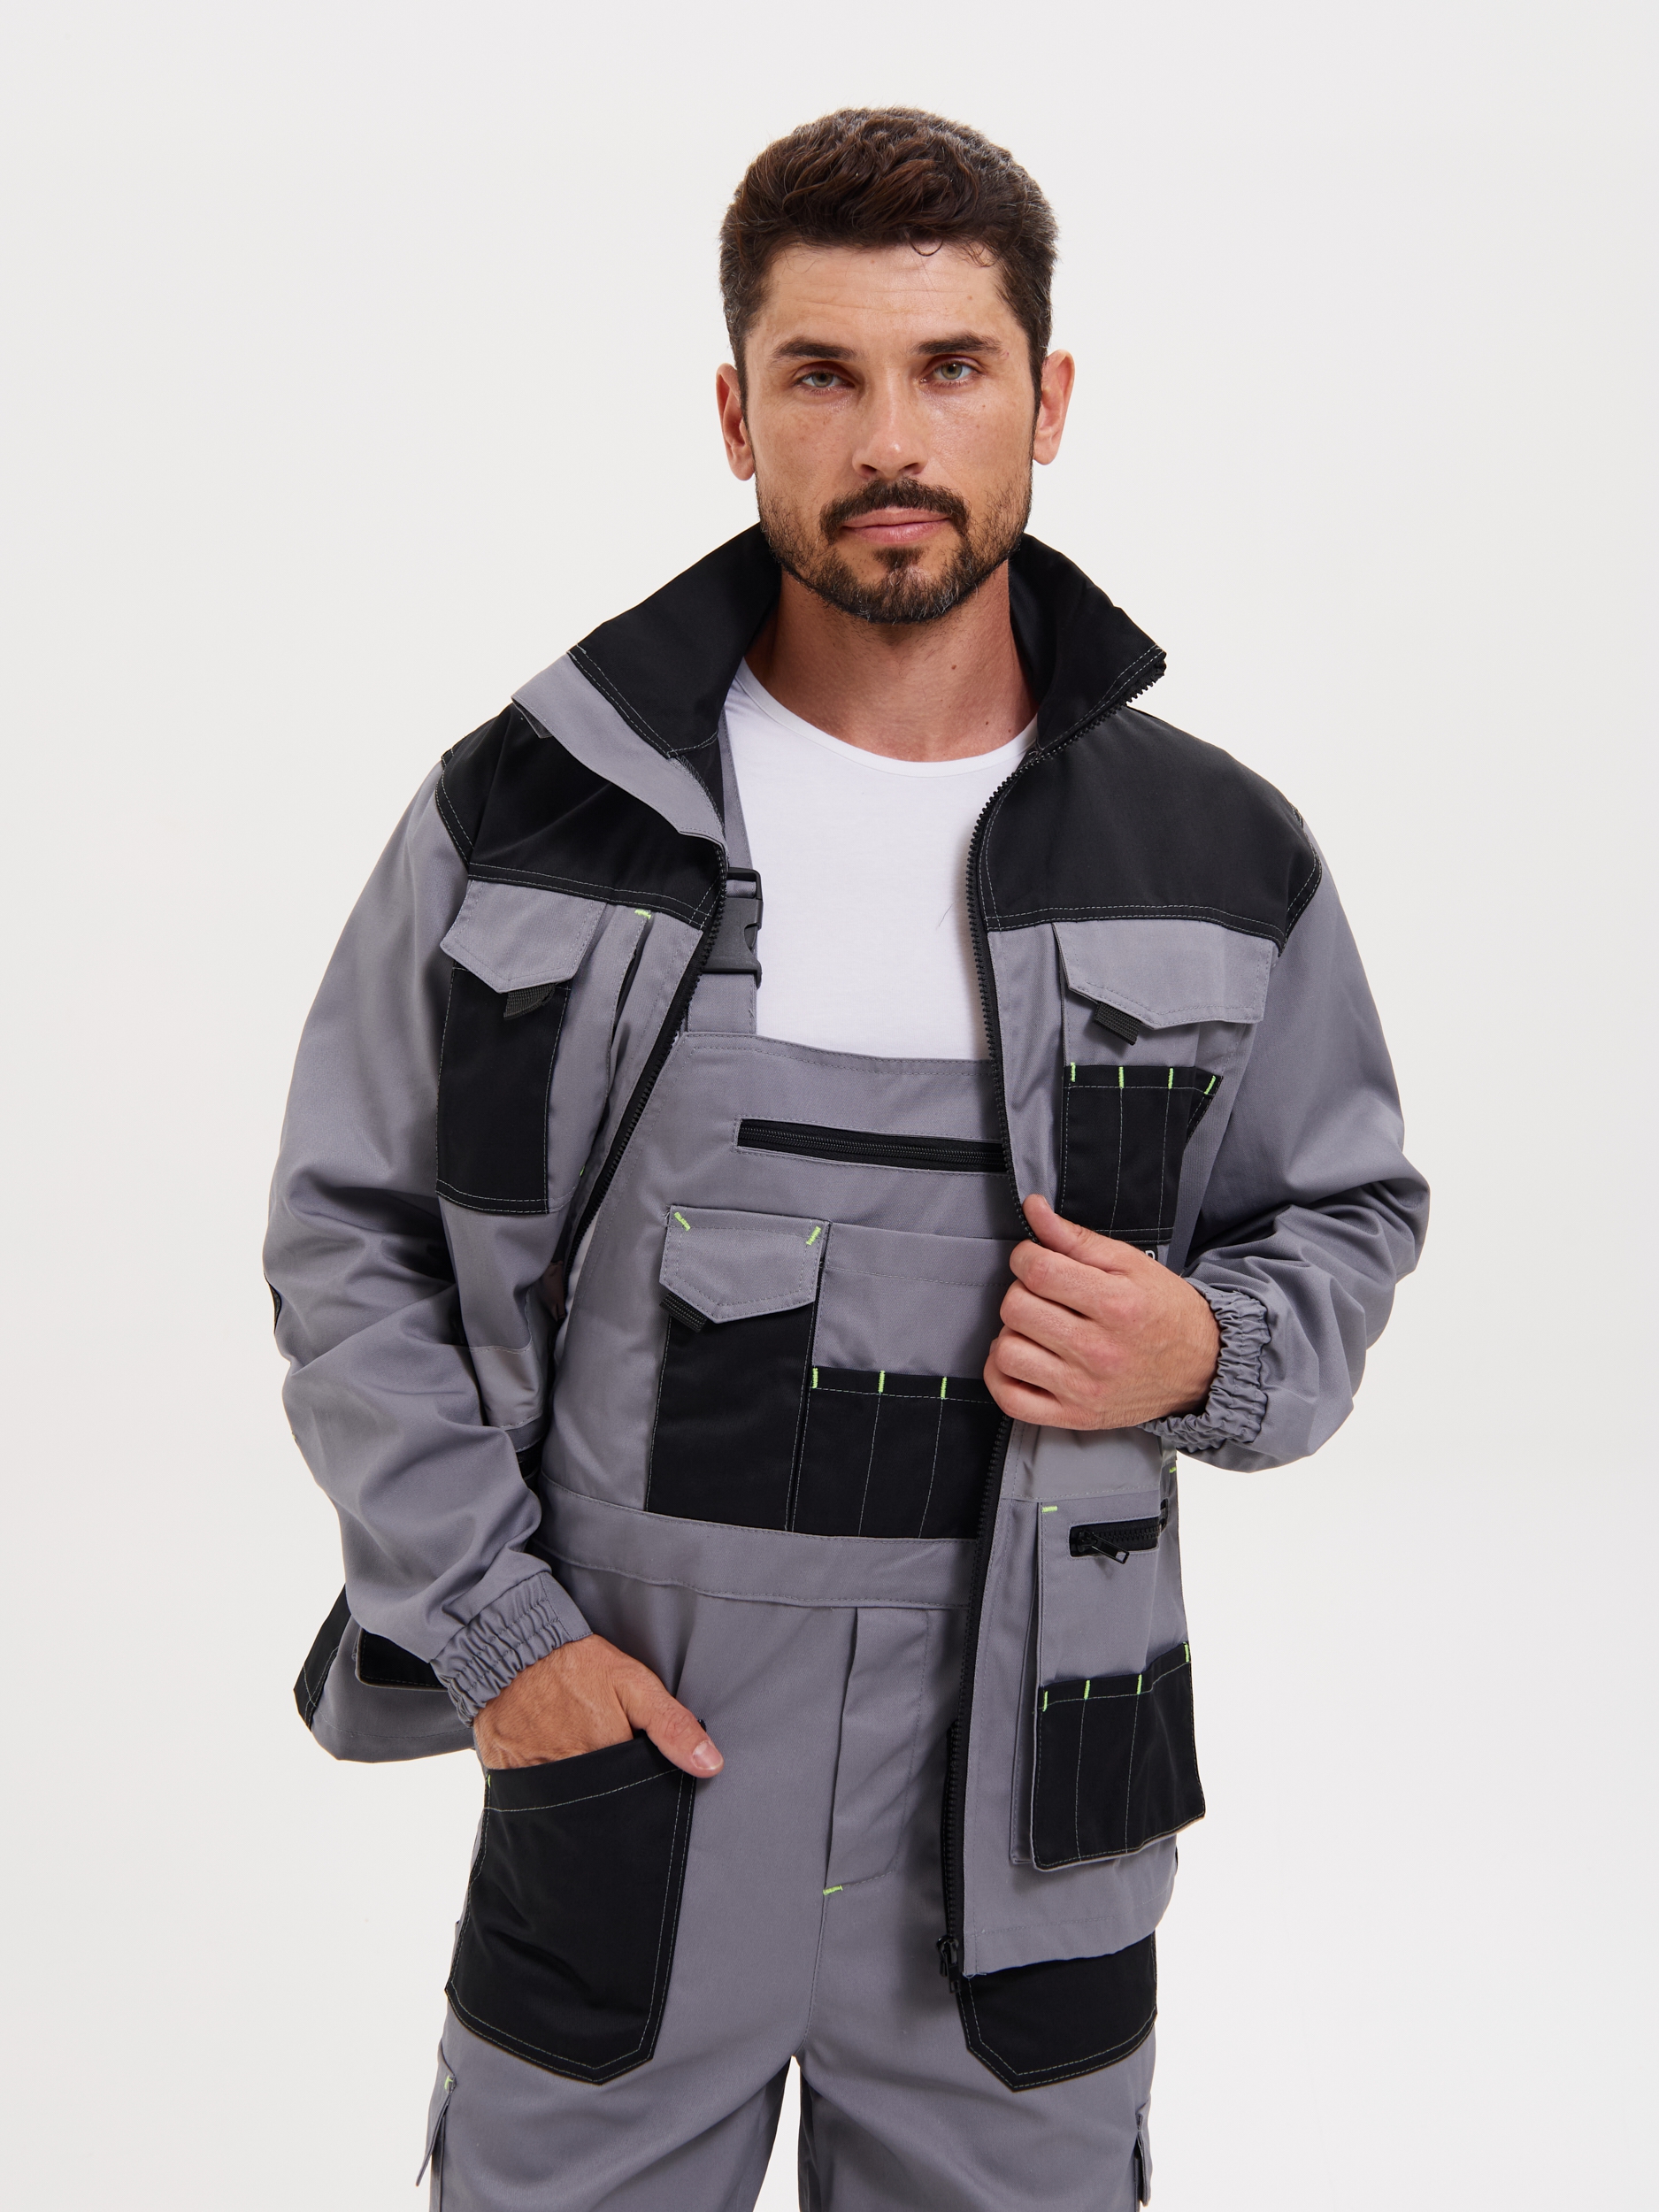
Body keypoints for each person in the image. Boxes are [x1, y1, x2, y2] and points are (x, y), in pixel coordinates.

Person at [267, 106, 1427, 2212]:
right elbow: (352, 1237)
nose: (889, 437)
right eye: (822, 373)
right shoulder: (531, 808)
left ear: (1042, 402)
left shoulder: (1216, 852)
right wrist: (503, 1636)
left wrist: (1205, 1347)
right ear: (736, 414)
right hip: (630, 1771)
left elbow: (1342, 1209)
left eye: (948, 367)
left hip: (1030, 1808)